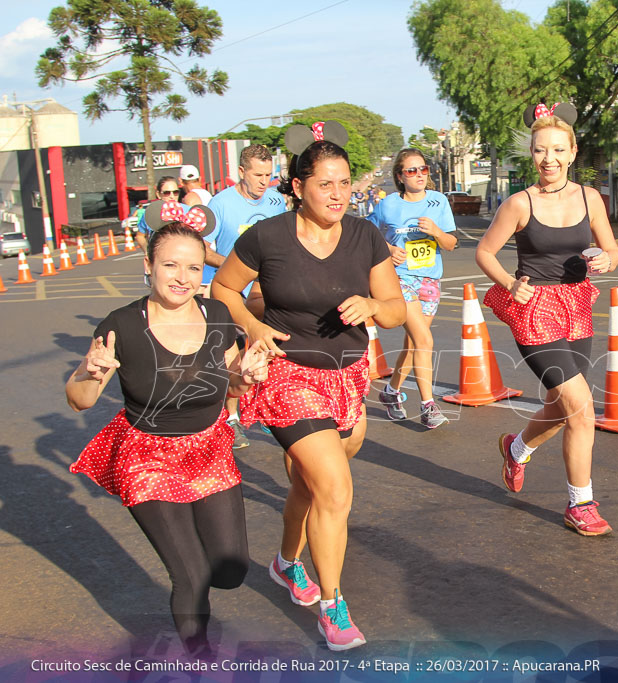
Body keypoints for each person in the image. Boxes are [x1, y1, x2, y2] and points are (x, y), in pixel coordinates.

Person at [211, 121, 405, 652]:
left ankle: (285, 562)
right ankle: (333, 605)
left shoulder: (365, 235)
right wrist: (252, 327)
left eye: (344, 182)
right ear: (298, 187)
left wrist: (374, 306)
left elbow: (396, 309)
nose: (338, 194)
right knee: (336, 490)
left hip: (346, 379)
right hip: (287, 376)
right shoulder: (266, 238)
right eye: (326, 183)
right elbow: (223, 287)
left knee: (309, 483)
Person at [65, 215, 270, 659]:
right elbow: (80, 400)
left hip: (209, 451)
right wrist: (89, 371)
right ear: (149, 266)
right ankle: (200, 656)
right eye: (170, 266)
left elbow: (230, 384)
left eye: (193, 268)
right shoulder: (121, 325)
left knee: (230, 570)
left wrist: (246, 377)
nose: (182, 278)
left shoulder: (217, 315)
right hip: (148, 458)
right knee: (191, 574)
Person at [475, 102, 618, 537]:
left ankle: (517, 448)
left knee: (561, 407)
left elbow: (612, 250)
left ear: (573, 152)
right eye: (541, 151)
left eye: (558, 150)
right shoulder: (520, 203)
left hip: (577, 307)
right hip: (535, 311)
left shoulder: (590, 198)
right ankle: (581, 503)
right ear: (532, 155)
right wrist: (508, 282)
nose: (549, 159)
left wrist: (605, 260)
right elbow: (485, 251)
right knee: (581, 409)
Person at [205, 144, 288, 449]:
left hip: (265, 290)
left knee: (267, 350)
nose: (264, 181)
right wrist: (235, 266)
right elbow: (203, 249)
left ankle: (266, 411)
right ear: (241, 172)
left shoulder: (277, 200)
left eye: (269, 175)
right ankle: (232, 419)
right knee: (233, 358)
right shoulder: (220, 204)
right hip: (230, 291)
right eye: (258, 175)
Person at [369, 149, 458, 428]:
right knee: (424, 340)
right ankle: (428, 405)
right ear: (400, 176)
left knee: (414, 343)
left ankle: (391, 391)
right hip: (400, 279)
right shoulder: (388, 205)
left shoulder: (438, 201)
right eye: (411, 171)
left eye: (423, 169)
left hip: (430, 280)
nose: (419, 175)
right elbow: (367, 235)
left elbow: (451, 244)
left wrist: (436, 232)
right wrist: (388, 249)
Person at [133, 176, 180, 253]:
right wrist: (148, 253)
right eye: (167, 193)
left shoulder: (186, 210)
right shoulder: (150, 213)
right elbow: (140, 236)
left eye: (175, 192)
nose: (172, 196)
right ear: (158, 194)